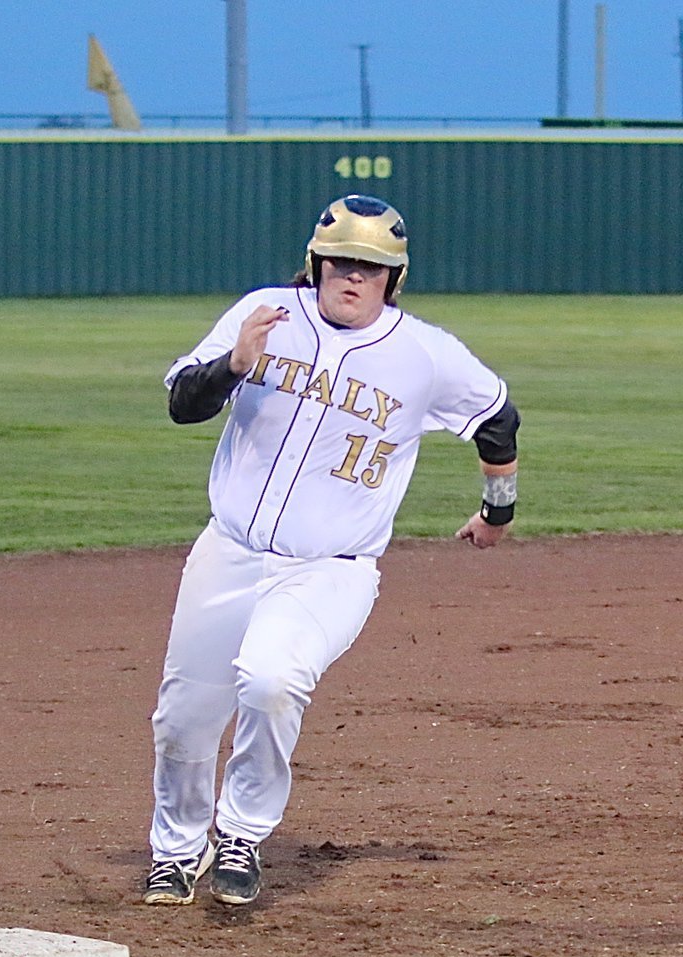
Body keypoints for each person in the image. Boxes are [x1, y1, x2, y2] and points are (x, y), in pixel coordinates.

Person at [143, 193, 520, 907]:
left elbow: (498, 418)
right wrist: (235, 363)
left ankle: (242, 834)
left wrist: (497, 511)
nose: (353, 276)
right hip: (228, 554)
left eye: (371, 267)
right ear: (316, 263)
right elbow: (183, 404)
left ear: (393, 278)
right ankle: (177, 848)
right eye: (341, 261)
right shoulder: (263, 315)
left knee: (271, 680)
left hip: (330, 570)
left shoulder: (425, 355)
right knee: (183, 718)